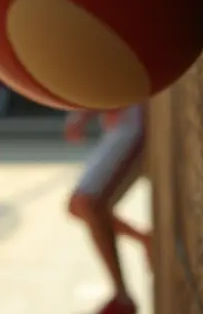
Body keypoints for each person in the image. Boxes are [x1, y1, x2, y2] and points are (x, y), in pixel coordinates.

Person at [64, 105, 153, 314]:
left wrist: (83, 114)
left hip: (133, 122)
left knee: (87, 203)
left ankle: (122, 298)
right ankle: (145, 240)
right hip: (119, 123)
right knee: (78, 205)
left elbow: (113, 75)